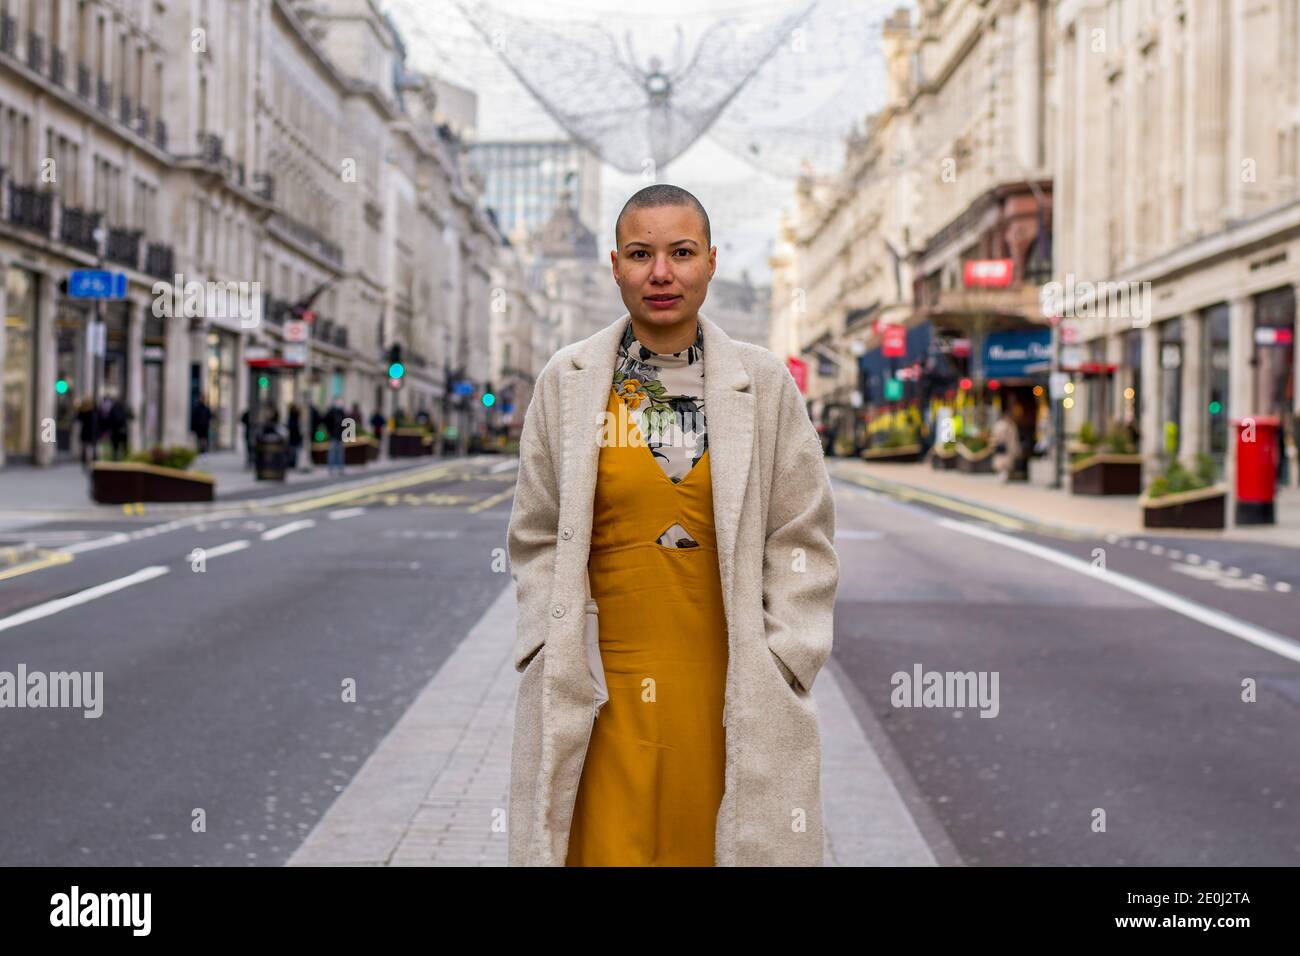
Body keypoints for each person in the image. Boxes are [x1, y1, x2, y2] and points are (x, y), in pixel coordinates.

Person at [506, 184, 837, 867]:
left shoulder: (765, 384)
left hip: (730, 679)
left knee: (721, 842)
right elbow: (534, 531)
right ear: (616, 266)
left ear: (711, 262)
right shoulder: (566, 383)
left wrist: (787, 656)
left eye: (681, 253)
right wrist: (547, 640)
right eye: (641, 253)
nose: (662, 272)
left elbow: (802, 533)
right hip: (597, 684)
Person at [991, 402, 1021, 483]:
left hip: (1009, 448)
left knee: (1006, 464)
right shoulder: (1001, 425)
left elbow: (1014, 438)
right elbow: (996, 436)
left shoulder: (1012, 425)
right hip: (1002, 447)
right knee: (1002, 464)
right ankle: (1002, 477)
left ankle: (1003, 477)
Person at [324, 398, 346, 475]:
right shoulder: (331, 412)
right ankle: (331, 469)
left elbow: (345, 423)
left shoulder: (341, 412)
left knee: (340, 453)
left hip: (340, 436)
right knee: (332, 453)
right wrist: (329, 431)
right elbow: (326, 421)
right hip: (333, 436)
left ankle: (340, 469)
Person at [286, 402, 303, 469]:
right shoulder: (296, 415)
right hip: (295, 435)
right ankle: (293, 463)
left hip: (294, 435)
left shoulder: (293, 415)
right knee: (294, 450)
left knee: (293, 450)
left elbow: (292, 425)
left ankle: (292, 463)